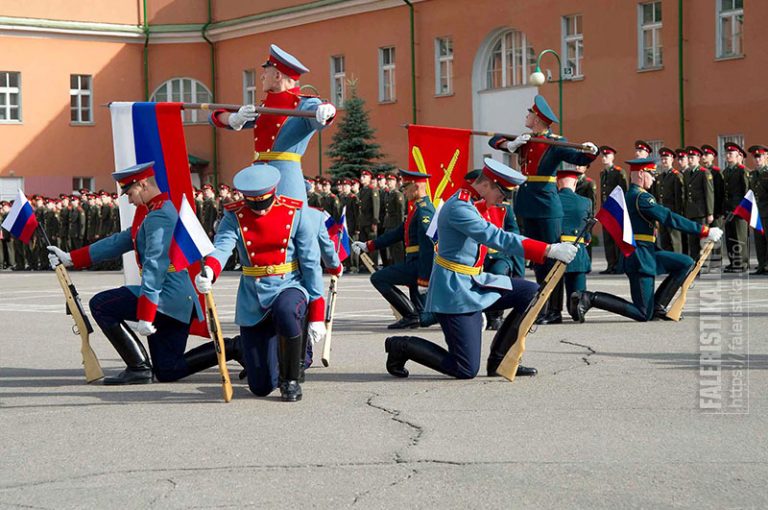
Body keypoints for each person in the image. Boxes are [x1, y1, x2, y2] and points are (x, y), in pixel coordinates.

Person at [383, 159, 578, 380]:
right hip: (455, 290)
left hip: (475, 281)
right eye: (502, 193)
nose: (503, 200)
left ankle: (500, 361)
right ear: (487, 185)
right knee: (464, 369)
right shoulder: (459, 208)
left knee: (530, 292)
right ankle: (400, 346)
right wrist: (548, 249)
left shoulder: (474, 202)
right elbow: (496, 237)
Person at [46, 163, 239, 385]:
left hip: (167, 298)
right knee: (169, 369)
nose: (128, 199)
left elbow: (155, 266)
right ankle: (235, 347)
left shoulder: (160, 216)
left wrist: (146, 314)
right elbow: (120, 241)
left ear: (143, 184)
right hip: (173, 300)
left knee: (102, 304)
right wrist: (71, 257)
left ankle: (138, 367)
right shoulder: (151, 212)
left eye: (129, 193)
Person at [195, 165, 325, 402]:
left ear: (273, 193)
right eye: (253, 204)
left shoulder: (294, 212)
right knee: (261, 386)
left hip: (288, 283)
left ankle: (291, 378)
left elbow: (311, 263)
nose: (260, 210)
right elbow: (223, 247)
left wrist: (317, 312)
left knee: (286, 311)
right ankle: (280, 358)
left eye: (264, 203)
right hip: (253, 293)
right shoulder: (234, 215)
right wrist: (209, 271)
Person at [488, 95, 597, 324]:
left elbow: (577, 156)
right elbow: (494, 139)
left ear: (537, 118)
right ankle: (541, 306)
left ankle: (554, 311)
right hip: (527, 203)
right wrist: (510, 145)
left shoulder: (555, 142)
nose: (526, 117)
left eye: (529, 114)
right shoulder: (525, 139)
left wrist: (590, 152)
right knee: (537, 258)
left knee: (550, 258)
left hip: (546, 205)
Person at [572, 158, 723, 323]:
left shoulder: (633, 195)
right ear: (642, 174)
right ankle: (589, 298)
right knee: (643, 313)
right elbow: (668, 217)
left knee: (685, 262)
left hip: (647, 252)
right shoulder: (640, 197)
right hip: (640, 256)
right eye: (651, 174)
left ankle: (658, 306)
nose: (654, 178)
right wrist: (703, 230)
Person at [209, 44, 336, 202]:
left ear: (277, 76)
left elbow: (319, 119)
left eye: (265, 72)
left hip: (285, 179)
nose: (262, 77)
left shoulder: (303, 104)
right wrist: (234, 119)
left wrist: (327, 111)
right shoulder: (264, 107)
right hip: (258, 179)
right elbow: (216, 117)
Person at [353, 169, 436, 329]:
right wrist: (369, 245)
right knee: (423, 316)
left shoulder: (424, 211)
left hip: (417, 266)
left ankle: (470, 313)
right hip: (413, 263)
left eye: (406, 187)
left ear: (416, 188)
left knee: (378, 278)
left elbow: (428, 245)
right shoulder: (417, 209)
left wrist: (424, 278)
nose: (403, 191)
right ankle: (416, 316)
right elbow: (398, 232)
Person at [554, 166, 592, 322]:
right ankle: (576, 308)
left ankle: (554, 311)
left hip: (555, 249)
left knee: (553, 290)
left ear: (558, 183)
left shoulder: (553, 201)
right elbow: (587, 228)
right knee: (578, 292)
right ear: (575, 183)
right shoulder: (585, 202)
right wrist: (587, 238)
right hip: (577, 250)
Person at [722, 142, 751, 272]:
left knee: (740, 237)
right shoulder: (726, 171)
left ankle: (742, 263)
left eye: (730, 154)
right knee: (730, 237)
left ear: (738, 155)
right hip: (729, 209)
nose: (728, 156)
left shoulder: (742, 171)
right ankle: (733, 262)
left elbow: (746, 192)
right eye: (727, 154)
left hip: (740, 209)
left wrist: (743, 209)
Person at [598, 145, 627, 274]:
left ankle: (619, 266)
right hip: (606, 209)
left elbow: (623, 191)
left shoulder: (619, 172)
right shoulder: (603, 173)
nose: (604, 158)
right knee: (608, 239)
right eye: (602, 156)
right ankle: (611, 265)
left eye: (607, 156)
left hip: (616, 209)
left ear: (613, 157)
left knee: (617, 238)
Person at [657, 147, 685, 253]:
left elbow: (679, 197)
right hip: (662, 211)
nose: (664, 161)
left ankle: (677, 264)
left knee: (675, 240)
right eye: (662, 159)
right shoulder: (660, 177)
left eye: (666, 158)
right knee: (664, 240)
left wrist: (678, 214)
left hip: (673, 211)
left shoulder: (676, 176)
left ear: (672, 159)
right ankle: (667, 264)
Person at [748, 145, 768, 275]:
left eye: (759, 156)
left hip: (767, 211)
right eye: (755, 157)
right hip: (757, 212)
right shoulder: (753, 174)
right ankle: (762, 265)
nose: (757, 160)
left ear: (766, 157)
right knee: (759, 241)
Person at [357, 169, 380, 270]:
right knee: (363, 244)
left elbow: (376, 206)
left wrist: (375, 222)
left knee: (371, 244)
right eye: (361, 176)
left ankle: (373, 265)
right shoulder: (362, 190)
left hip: (370, 222)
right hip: (363, 222)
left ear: (369, 178)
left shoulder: (372, 190)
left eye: (364, 176)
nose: (362, 178)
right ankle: (365, 265)